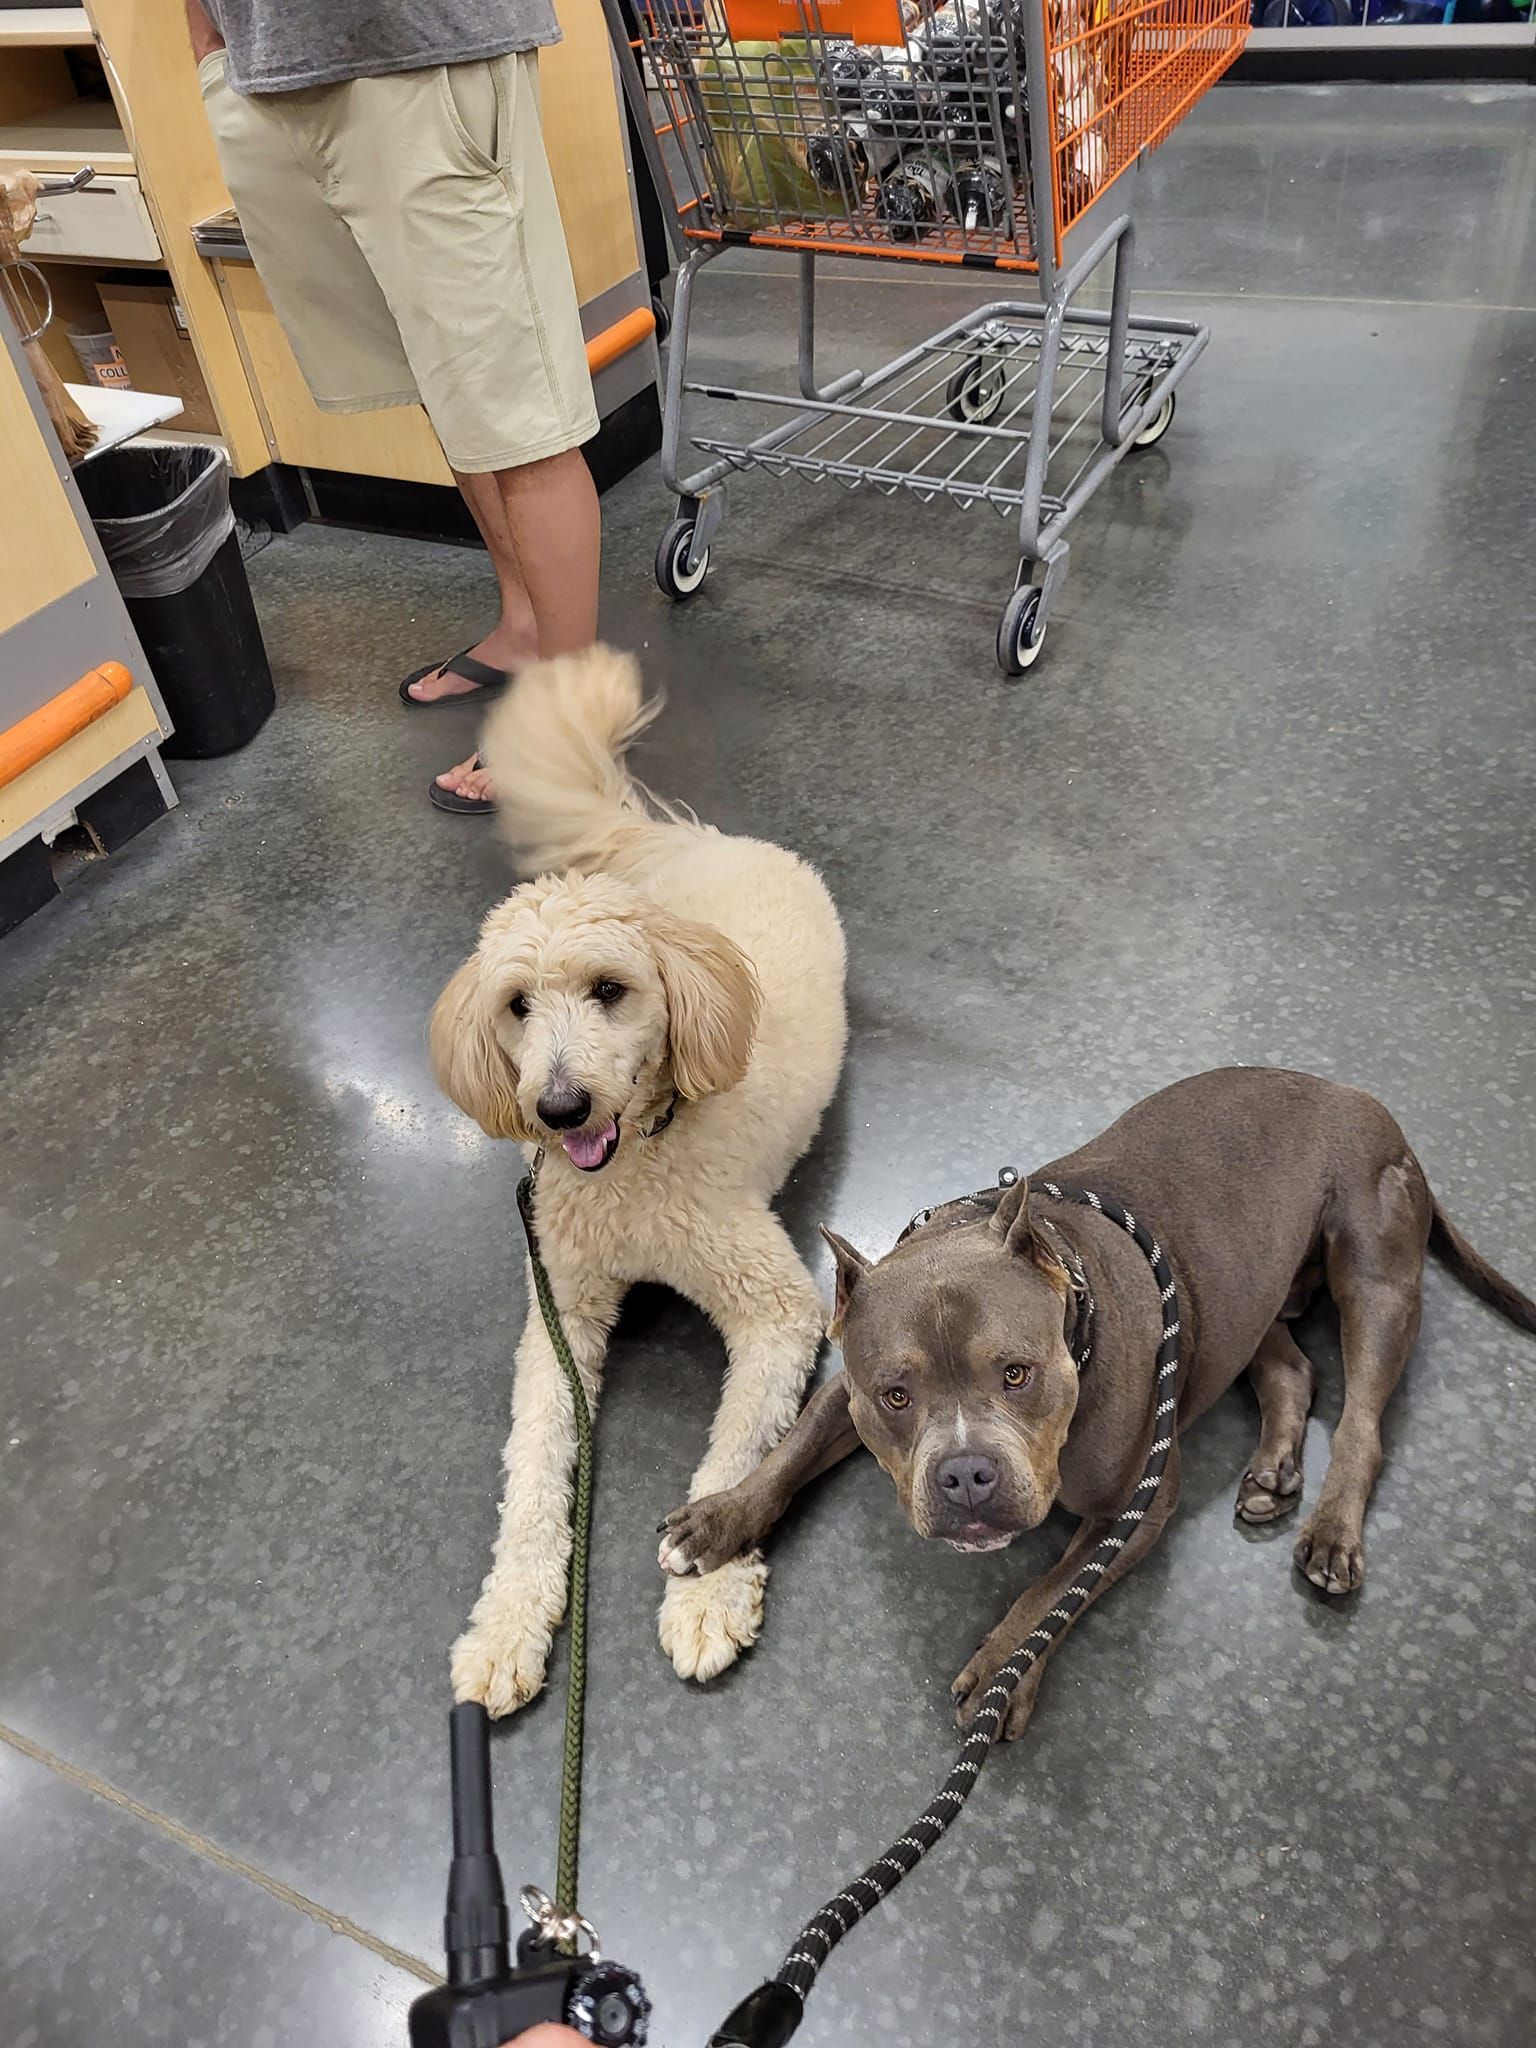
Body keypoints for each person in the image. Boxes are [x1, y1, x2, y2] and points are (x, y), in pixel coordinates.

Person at [185, 1, 602, 816]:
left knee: (517, 409)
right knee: (442, 379)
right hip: (265, 70)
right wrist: (209, 44)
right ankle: (523, 626)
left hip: (422, 54)